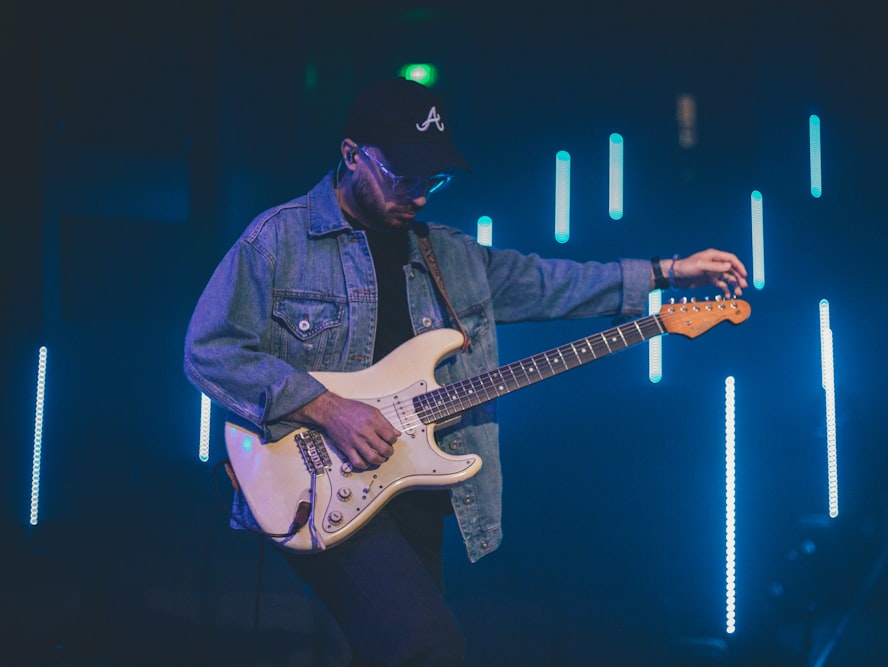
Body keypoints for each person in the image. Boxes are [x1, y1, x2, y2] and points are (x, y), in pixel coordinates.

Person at [184, 77, 748, 666]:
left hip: (419, 486)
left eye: (434, 178)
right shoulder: (279, 240)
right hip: (320, 482)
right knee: (428, 649)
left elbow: (552, 283)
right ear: (352, 155)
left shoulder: (449, 253)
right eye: (404, 175)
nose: (422, 195)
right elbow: (210, 348)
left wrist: (667, 271)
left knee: (395, 654)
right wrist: (328, 408)